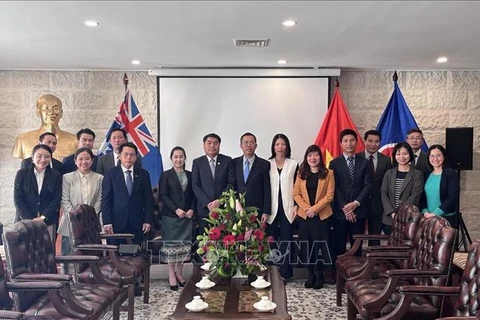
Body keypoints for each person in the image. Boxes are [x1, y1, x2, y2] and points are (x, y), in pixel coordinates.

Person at [293, 144, 334, 289]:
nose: (313, 158)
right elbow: (296, 193)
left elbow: (329, 196)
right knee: (307, 246)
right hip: (305, 217)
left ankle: (319, 275)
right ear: (306, 158)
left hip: (321, 216)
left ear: (320, 157)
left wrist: (315, 210)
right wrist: (307, 209)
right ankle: (310, 274)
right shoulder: (301, 173)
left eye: (316, 155)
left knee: (320, 246)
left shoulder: (328, 173)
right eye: (310, 155)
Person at [329, 129, 371, 260]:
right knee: (339, 245)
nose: (349, 143)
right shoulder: (334, 163)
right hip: (340, 213)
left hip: (359, 211)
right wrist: (346, 208)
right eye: (346, 141)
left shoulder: (365, 162)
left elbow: (368, 186)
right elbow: (334, 188)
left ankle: (355, 275)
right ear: (341, 144)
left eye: (352, 140)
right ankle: (337, 276)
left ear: (357, 142)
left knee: (357, 246)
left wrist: (355, 204)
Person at [102, 142, 154, 245]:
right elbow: (106, 199)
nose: (129, 157)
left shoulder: (143, 174)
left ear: (136, 157)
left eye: (132, 155)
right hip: (116, 223)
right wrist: (107, 222)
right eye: (125, 154)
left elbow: (148, 199)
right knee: (116, 256)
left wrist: (147, 220)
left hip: (137, 223)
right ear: (119, 156)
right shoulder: (111, 174)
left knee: (135, 256)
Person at [159, 146, 195, 291]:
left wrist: (192, 209)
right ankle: (171, 276)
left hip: (187, 217)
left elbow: (194, 194)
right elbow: (163, 195)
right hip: (171, 217)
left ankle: (179, 274)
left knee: (183, 247)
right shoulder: (166, 175)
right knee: (171, 247)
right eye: (175, 157)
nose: (178, 159)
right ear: (171, 159)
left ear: (185, 158)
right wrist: (176, 209)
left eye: (181, 156)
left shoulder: (191, 175)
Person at [191, 133, 235, 251]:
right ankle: (201, 268)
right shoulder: (197, 162)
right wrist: (208, 203)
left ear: (219, 145)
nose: (212, 146)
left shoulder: (227, 161)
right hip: (204, 211)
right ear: (204, 145)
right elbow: (195, 185)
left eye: (215, 143)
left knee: (223, 244)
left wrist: (219, 201)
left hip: (223, 210)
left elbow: (231, 183)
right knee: (204, 244)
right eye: (209, 143)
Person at [14, 144, 62, 244]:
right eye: (39, 156)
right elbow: (18, 198)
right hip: (25, 220)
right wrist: (30, 219)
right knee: (25, 249)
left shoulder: (55, 175)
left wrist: (43, 217)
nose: (43, 159)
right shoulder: (22, 174)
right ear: (32, 157)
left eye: (47, 157)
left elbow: (56, 199)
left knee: (47, 250)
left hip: (47, 220)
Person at [59, 147, 103, 255]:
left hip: (91, 222)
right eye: (80, 159)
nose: (84, 162)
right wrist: (75, 216)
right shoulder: (67, 178)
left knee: (90, 255)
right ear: (75, 161)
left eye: (87, 159)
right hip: (70, 221)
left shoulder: (99, 178)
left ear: (92, 161)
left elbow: (99, 200)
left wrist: (88, 216)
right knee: (69, 256)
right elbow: (64, 200)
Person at [266, 133, 298, 280]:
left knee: (286, 240)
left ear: (287, 146)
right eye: (277, 144)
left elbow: (298, 187)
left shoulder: (294, 164)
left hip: (288, 207)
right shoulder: (267, 164)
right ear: (273, 146)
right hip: (271, 207)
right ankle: (272, 271)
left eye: (283, 144)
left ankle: (284, 273)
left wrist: (297, 205)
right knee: (271, 240)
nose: (280, 147)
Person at [12, 94, 77, 161]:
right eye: (46, 108)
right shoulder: (22, 140)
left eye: (56, 109)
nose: (51, 112)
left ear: (61, 113)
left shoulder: (74, 141)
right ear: (38, 112)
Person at [356, 130, 391, 245]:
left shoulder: (386, 160)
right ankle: (356, 261)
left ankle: (373, 263)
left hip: (377, 204)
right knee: (357, 237)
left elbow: (388, 183)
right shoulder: (356, 158)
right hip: (359, 205)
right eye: (370, 141)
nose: (373, 144)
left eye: (376, 141)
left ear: (380, 143)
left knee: (375, 237)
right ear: (364, 141)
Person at [380, 142, 424, 234]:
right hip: (389, 218)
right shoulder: (389, 173)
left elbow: (415, 195)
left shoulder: (417, 174)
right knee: (390, 246)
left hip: (409, 218)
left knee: (406, 246)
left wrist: (401, 213)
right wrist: (392, 213)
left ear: (410, 155)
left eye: (405, 154)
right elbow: (384, 193)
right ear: (395, 156)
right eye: (398, 154)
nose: (402, 157)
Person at [233, 132, 271, 223]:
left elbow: (267, 189)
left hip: (256, 210)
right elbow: (232, 185)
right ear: (241, 145)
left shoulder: (264, 164)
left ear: (256, 145)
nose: (248, 145)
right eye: (246, 142)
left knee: (255, 237)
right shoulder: (233, 163)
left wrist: (266, 212)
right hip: (237, 209)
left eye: (251, 142)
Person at [421, 145, 459, 228]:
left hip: (446, 218)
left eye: (438, 155)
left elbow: (452, 198)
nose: (435, 159)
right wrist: (426, 212)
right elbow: (422, 196)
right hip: (428, 217)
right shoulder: (426, 174)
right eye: (432, 156)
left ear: (444, 157)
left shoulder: (451, 174)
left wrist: (435, 213)